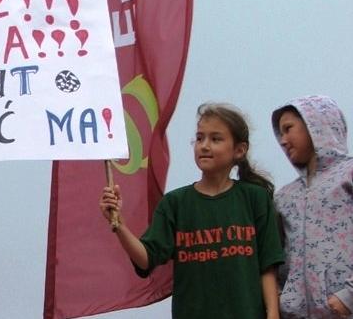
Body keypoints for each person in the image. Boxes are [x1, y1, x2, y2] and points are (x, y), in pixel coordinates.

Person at [100, 103, 285, 319]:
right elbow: (146, 259)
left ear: (239, 150)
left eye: (216, 139)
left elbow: (268, 266)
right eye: (199, 138)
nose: (204, 146)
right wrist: (119, 225)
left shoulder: (255, 198)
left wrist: (272, 314)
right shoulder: (174, 203)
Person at [271, 95, 353, 318]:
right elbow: (274, 258)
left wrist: (349, 296)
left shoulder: (349, 173)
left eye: (288, 129)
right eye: (280, 133)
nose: (283, 140)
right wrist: (281, 299)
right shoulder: (284, 198)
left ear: (316, 125)